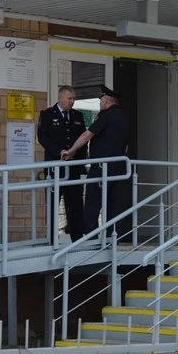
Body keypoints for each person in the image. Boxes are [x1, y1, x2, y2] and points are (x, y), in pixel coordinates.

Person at [61, 85, 131, 238]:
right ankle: (113, 238)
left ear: (106, 101)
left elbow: (88, 135)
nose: (99, 104)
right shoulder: (123, 116)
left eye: (100, 100)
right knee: (112, 204)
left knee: (93, 203)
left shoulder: (106, 115)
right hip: (118, 167)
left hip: (101, 167)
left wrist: (71, 150)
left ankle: (91, 238)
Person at [37, 85, 87, 242]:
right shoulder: (47, 115)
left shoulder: (77, 115)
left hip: (73, 166)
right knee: (53, 202)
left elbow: (83, 139)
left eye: (73, 99)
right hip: (55, 166)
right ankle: (52, 239)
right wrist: (59, 152)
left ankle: (77, 238)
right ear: (60, 98)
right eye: (69, 98)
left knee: (75, 202)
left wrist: (78, 157)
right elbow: (42, 138)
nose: (72, 102)